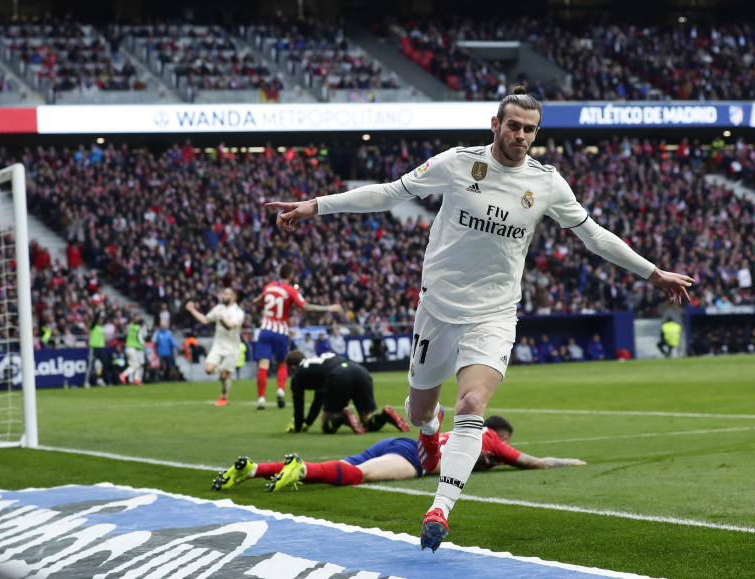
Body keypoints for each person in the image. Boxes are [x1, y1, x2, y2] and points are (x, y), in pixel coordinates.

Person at [266, 86, 694, 551]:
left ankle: (440, 508)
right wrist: (316, 205)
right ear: (496, 125)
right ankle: (429, 437)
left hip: (494, 313)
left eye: (531, 129)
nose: (522, 136)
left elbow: (593, 236)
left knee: (471, 406)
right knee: (419, 411)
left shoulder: (547, 183)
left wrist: (652, 273)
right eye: (514, 126)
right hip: (437, 309)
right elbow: (390, 194)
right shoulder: (457, 163)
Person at [212, 414, 585, 492]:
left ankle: (255, 468)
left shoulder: (468, 432)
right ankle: (302, 471)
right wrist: (568, 462)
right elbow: (530, 463)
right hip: (417, 458)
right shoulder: (490, 439)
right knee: (357, 476)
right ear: (499, 433)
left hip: (401, 443)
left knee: (347, 465)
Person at [253, 264, 342, 410]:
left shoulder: (268, 286)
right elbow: (306, 307)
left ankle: (261, 398)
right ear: (290, 276)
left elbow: (259, 299)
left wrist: (256, 301)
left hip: (265, 330)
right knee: (281, 363)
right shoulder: (290, 290)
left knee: (263, 365)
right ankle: (280, 390)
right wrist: (328, 308)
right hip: (280, 331)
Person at [284, 350, 410, 435]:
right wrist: (307, 423)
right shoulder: (318, 362)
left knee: (326, 427)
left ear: (293, 367)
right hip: (360, 371)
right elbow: (318, 400)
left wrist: (298, 426)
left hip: (338, 376)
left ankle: (343, 418)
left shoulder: (299, 374)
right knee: (367, 421)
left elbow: (298, 404)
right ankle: (384, 416)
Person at [186, 288, 245, 406]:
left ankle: (224, 396)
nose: (223, 296)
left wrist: (222, 321)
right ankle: (225, 372)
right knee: (208, 370)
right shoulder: (219, 308)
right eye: (223, 293)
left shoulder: (238, 312)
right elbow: (205, 320)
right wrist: (192, 310)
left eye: (226, 294)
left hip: (232, 348)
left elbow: (230, 326)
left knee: (223, 375)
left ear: (233, 297)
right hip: (218, 345)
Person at [119, 313, 146, 386]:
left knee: (132, 364)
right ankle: (123, 375)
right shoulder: (138, 328)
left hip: (127, 347)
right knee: (136, 365)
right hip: (133, 348)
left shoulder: (130, 327)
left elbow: (124, 330)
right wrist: (144, 345)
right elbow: (140, 338)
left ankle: (134, 380)